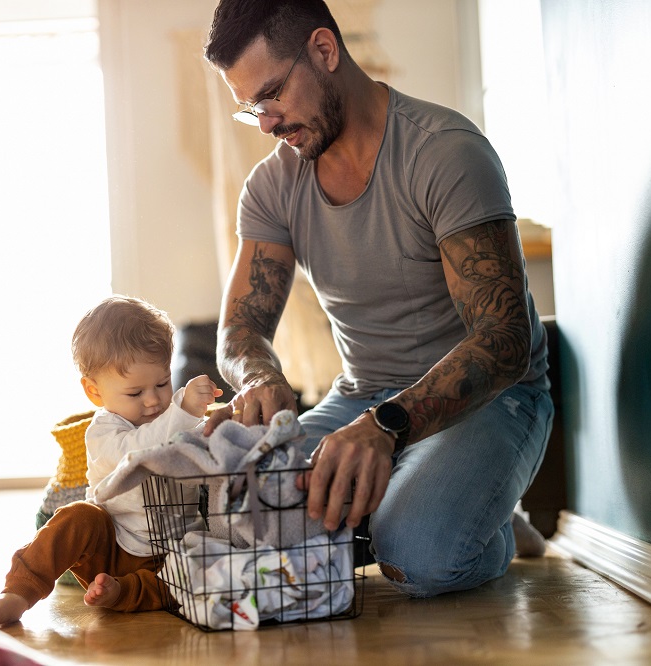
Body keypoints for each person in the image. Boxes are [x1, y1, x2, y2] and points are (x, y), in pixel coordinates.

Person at [202, 0, 553, 598]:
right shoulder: (272, 186)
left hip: (492, 399)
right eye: (250, 108)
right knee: (241, 517)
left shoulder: (444, 153)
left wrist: (386, 427)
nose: (265, 123)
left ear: (324, 50)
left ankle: (485, 523)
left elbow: (504, 342)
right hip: (362, 397)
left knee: (417, 552)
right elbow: (240, 331)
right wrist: (257, 374)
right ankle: (448, 496)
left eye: (273, 95)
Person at [0, 295, 222, 625]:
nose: (154, 400)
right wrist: (184, 413)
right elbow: (139, 451)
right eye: (135, 392)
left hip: (176, 551)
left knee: (201, 571)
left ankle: (123, 594)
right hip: (114, 548)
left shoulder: (173, 411)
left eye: (161, 383)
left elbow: (200, 447)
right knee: (78, 517)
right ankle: (17, 594)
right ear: (94, 392)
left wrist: (217, 426)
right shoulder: (103, 431)